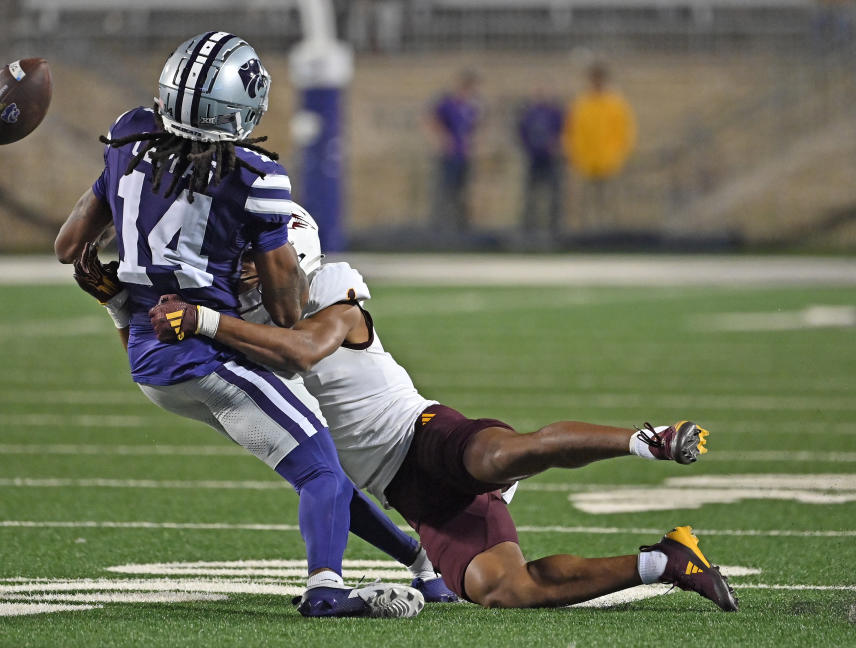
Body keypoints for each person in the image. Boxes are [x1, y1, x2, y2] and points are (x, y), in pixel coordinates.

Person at [146, 213, 738, 612]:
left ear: (297, 261)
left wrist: (203, 320)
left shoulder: (338, 304)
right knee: (502, 590)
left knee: (501, 454)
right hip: (398, 486)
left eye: (259, 257)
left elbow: (299, 350)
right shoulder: (247, 322)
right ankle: (665, 561)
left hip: (421, 431)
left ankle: (647, 440)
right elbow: (328, 481)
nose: (246, 267)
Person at [54, 31, 430, 618]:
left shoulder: (128, 135)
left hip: (150, 354)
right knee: (321, 473)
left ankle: (418, 562)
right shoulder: (257, 176)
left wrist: (121, 296)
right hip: (202, 351)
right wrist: (256, 264)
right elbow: (287, 316)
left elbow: (70, 246)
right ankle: (325, 591)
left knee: (314, 465)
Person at [562, 62, 636, 230]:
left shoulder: (616, 105)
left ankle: (609, 233)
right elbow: (573, 132)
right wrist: (575, 155)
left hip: (610, 162)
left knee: (609, 202)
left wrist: (618, 155)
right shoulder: (581, 104)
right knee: (586, 204)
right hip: (586, 162)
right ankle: (586, 234)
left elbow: (625, 132)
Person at [427, 70, 482, 234]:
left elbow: (476, 127)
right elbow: (431, 120)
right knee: (445, 190)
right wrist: (442, 139)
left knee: (462, 191)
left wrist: (474, 143)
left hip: (464, 154)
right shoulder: (447, 103)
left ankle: (461, 227)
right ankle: (441, 226)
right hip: (449, 155)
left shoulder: (471, 107)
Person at [516, 86, 565, 242]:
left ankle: (553, 227)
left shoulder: (554, 113)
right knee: (531, 194)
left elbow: (563, 130)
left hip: (550, 158)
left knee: (553, 194)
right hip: (534, 158)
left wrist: (557, 145)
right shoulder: (529, 113)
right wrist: (528, 147)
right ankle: (529, 226)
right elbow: (521, 132)